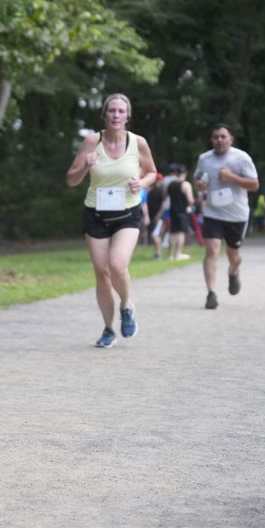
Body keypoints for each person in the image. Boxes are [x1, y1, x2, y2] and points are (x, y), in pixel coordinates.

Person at [66, 93, 157, 347]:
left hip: (127, 214)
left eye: (121, 111)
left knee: (117, 265)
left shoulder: (138, 142)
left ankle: (126, 306)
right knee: (102, 274)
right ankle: (108, 329)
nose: (116, 115)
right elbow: (71, 180)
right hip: (96, 214)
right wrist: (85, 166)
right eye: (112, 110)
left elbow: (152, 172)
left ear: (128, 116)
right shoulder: (91, 141)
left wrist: (142, 183)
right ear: (104, 114)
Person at [193, 124, 260, 309]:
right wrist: (199, 184)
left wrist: (231, 177)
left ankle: (233, 272)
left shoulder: (241, 158)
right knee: (212, 250)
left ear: (231, 139)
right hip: (213, 212)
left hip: (237, 215)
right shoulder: (204, 158)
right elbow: (197, 178)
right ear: (211, 140)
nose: (219, 140)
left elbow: (254, 185)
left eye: (223, 136)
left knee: (234, 255)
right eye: (216, 137)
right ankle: (211, 294)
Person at [166, 164, 195, 260]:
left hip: (172, 211)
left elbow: (165, 196)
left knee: (173, 232)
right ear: (185, 173)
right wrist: (191, 204)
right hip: (182, 211)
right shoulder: (186, 184)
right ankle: (178, 254)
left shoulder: (171, 184)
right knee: (181, 232)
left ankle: (170, 255)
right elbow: (190, 200)